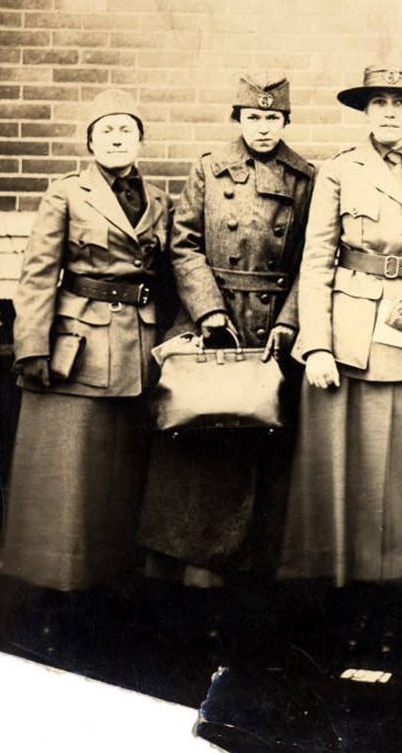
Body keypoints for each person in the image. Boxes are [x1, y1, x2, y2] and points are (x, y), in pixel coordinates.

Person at [278, 66, 402, 592]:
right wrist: (316, 344)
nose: (389, 111)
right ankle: (345, 589)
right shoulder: (340, 171)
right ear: (366, 112)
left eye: (401, 103)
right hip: (353, 334)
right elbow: (316, 262)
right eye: (379, 102)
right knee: (352, 468)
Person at [137, 74, 315, 587]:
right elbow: (184, 243)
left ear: (285, 122)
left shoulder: (304, 176)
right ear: (239, 119)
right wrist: (209, 312)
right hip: (212, 325)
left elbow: (312, 258)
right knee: (197, 448)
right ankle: (186, 570)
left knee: (258, 446)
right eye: (254, 118)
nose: (263, 128)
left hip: (270, 329)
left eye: (273, 118)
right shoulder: (209, 170)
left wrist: (288, 322)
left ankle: (248, 578)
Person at [4, 88, 172, 601]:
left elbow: (166, 276)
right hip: (78, 345)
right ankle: (56, 587)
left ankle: (114, 584)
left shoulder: (161, 200)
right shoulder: (67, 193)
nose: (117, 139)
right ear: (91, 142)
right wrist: (31, 346)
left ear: (141, 140)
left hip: (139, 347)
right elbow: (37, 274)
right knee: (70, 471)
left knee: (122, 472)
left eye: (126, 129)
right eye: (106, 130)